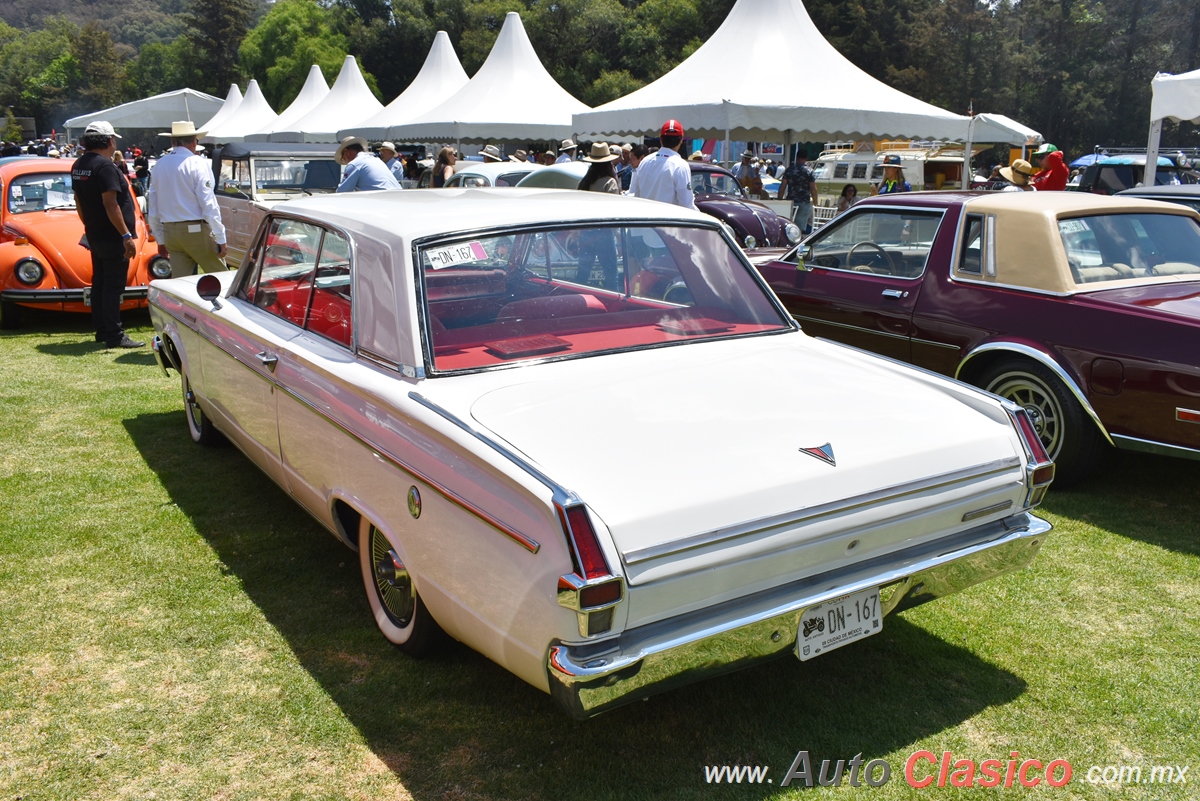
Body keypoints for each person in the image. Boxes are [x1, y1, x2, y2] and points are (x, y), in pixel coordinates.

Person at [70, 121, 143, 349]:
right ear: (110, 141)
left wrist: (88, 226)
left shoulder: (79, 164)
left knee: (100, 283)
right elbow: (111, 204)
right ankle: (114, 334)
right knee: (113, 285)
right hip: (112, 236)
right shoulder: (105, 167)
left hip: (95, 232)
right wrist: (126, 235)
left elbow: (79, 202)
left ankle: (102, 330)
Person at [146, 120, 228, 280]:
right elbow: (208, 203)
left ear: (173, 142)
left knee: (180, 283)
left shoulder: (159, 164)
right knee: (222, 279)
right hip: (195, 230)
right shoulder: (197, 163)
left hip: (171, 232)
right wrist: (220, 237)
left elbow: (153, 205)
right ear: (194, 142)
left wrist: (160, 238)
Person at [575, 142, 621, 290]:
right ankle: (613, 310)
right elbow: (613, 213)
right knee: (611, 278)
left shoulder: (584, 183)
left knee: (581, 276)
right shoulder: (610, 182)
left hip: (586, 234)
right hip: (604, 235)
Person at [630, 120, 696, 210]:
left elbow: (637, 195)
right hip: (668, 222)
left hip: (646, 220)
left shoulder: (644, 162)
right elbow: (686, 204)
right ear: (681, 140)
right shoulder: (680, 166)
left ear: (661, 138)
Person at [335, 136, 401, 192]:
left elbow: (342, 192)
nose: (345, 161)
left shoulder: (354, 164)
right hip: (399, 198)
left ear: (346, 152)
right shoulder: (377, 160)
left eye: (343, 158)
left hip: (383, 201)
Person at [778, 148, 819, 234]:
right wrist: (815, 203)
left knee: (788, 225)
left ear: (796, 157)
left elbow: (782, 187)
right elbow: (813, 189)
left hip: (791, 202)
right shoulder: (809, 171)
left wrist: (780, 201)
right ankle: (797, 241)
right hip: (804, 202)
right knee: (799, 228)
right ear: (806, 158)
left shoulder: (789, 170)